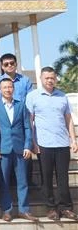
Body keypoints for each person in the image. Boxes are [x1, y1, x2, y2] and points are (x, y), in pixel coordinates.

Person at [26, 67, 78, 221]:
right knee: (46, 178)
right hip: (43, 144)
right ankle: (51, 209)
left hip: (62, 143)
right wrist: (33, 143)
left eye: (52, 78)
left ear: (56, 78)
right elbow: (30, 121)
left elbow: (69, 119)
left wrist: (73, 139)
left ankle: (66, 208)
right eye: (47, 78)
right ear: (41, 79)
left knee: (63, 178)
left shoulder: (62, 96)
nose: (50, 80)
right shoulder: (33, 96)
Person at [0, 78, 38, 222]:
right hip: (3, 149)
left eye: (10, 87)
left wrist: (27, 146)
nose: (8, 90)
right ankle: (7, 211)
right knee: (4, 182)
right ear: (0, 89)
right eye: (5, 87)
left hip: (20, 149)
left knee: (22, 181)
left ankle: (24, 210)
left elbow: (28, 127)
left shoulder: (21, 105)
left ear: (13, 88)